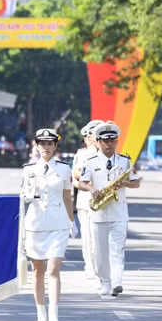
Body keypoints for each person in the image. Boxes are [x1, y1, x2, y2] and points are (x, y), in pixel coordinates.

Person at [78, 122, 141, 297]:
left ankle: (117, 281)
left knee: (117, 249)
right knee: (100, 252)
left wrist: (125, 183)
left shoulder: (125, 161)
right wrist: (92, 189)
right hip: (98, 213)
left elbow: (136, 182)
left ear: (117, 141)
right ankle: (105, 281)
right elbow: (81, 183)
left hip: (119, 212)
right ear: (98, 142)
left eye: (112, 140)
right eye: (105, 141)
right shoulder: (90, 162)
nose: (109, 144)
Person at [21, 129, 74, 321]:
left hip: (58, 223)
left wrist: (72, 221)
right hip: (35, 225)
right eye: (42, 143)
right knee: (38, 271)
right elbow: (22, 196)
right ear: (36, 146)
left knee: (53, 269)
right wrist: (28, 195)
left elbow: (67, 197)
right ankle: (41, 316)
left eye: (50, 143)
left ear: (55, 146)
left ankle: (54, 316)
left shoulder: (64, 169)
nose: (46, 147)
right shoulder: (28, 169)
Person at [72, 120, 101, 280]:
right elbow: (76, 173)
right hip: (86, 200)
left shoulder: (108, 153)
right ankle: (89, 266)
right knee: (88, 237)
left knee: (100, 237)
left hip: (104, 201)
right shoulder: (82, 154)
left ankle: (99, 265)